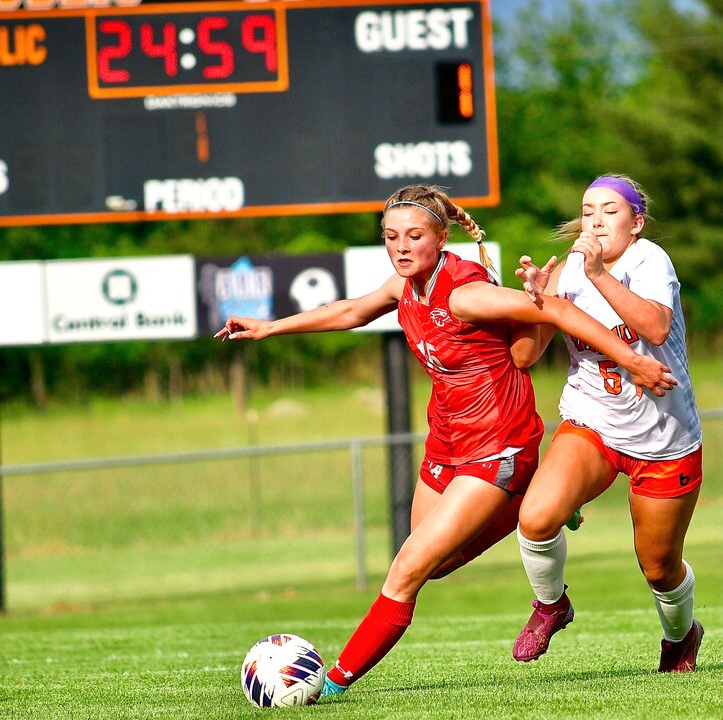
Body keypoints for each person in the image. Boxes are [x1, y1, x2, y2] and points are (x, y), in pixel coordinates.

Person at [215, 184, 673, 698]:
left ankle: (330, 684)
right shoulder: (404, 287)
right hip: (447, 442)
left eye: (414, 236)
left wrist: (633, 361)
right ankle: (531, 498)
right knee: (434, 563)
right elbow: (350, 311)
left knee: (407, 568)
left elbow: (557, 313)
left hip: (498, 444)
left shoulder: (464, 292)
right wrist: (270, 328)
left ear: (441, 237)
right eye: (391, 237)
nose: (402, 247)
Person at [511, 174, 703, 672]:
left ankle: (682, 636)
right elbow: (525, 356)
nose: (595, 219)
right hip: (592, 420)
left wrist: (597, 275)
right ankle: (551, 605)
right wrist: (534, 306)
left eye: (610, 210)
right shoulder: (568, 270)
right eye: (587, 208)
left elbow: (656, 327)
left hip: (664, 437)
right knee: (535, 518)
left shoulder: (648, 259)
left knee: (658, 567)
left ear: (636, 223)